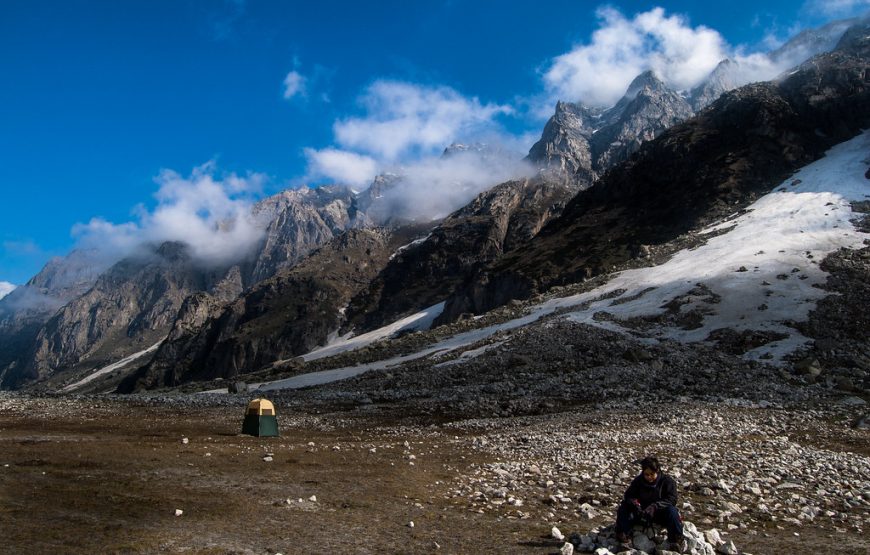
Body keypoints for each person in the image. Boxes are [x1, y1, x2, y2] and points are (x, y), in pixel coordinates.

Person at [615, 456, 687, 553]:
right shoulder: (638, 481)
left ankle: (676, 540)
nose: (649, 477)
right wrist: (636, 505)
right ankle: (624, 538)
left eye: (652, 474)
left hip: (660, 514)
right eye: (646, 474)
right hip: (641, 513)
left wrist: (655, 506)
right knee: (623, 508)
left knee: (672, 511)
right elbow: (628, 496)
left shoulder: (667, 481)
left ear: (657, 471)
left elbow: (672, 499)